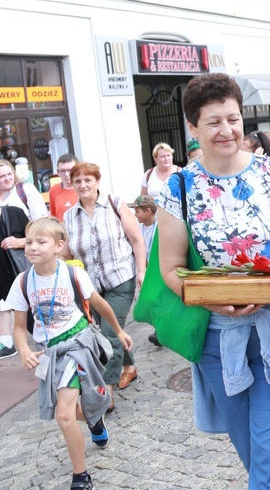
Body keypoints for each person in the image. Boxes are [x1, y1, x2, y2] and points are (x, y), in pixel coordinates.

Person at [157, 72, 270, 489]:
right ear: (193, 128)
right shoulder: (180, 187)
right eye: (213, 122)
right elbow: (170, 268)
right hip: (218, 340)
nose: (226, 130)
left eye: (233, 118)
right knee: (257, 455)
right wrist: (210, 302)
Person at [9, 216, 133, 490]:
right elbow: (19, 327)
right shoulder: (22, 282)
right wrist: (23, 350)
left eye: (41, 242)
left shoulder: (73, 274)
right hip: (50, 352)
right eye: (29, 242)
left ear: (59, 245)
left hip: (79, 344)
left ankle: (81, 476)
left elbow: (99, 304)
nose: (32, 247)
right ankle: (95, 419)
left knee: (63, 415)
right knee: (70, 409)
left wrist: (119, 331)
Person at [63, 162, 146, 408]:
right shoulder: (69, 215)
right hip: (91, 286)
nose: (83, 185)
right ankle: (129, 366)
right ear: (73, 185)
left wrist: (141, 271)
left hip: (120, 278)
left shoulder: (115, 203)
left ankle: (106, 392)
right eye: (78, 181)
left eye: (88, 180)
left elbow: (136, 239)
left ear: (97, 181)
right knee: (109, 329)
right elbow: (65, 252)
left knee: (109, 335)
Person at [0, 159, 48, 359]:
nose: (6, 179)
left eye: (8, 174)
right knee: (8, 300)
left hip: (24, 256)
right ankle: (7, 342)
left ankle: (49, 340)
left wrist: (22, 242)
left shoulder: (24, 191)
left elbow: (43, 225)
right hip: (3, 261)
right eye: (1, 177)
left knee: (33, 299)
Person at [131, 194, 161, 346]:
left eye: (137, 212)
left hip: (159, 270)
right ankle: (159, 329)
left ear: (148, 211)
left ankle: (161, 331)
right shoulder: (138, 229)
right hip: (147, 271)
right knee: (150, 301)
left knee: (158, 300)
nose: (135, 215)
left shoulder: (160, 226)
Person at [0, 204, 29, 359]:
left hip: (22, 275)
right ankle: (7, 343)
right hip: (3, 282)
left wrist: (21, 241)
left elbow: (39, 237)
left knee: (33, 318)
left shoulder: (14, 213)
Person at [49, 153, 79, 221]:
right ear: (58, 172)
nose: (66, 174)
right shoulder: (54, 190)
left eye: (70, 170)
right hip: (62, 230)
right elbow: (53, 218)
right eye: (62, 171)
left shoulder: (84, 189)